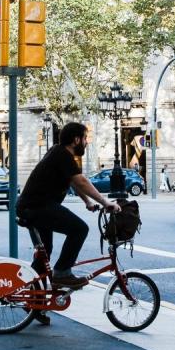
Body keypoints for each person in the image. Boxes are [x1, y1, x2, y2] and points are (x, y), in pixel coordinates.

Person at [16, 122, 121, 290]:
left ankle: (31, 297)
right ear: (76, 140)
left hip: (32, 207)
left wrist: (87, 202)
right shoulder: (62, 155)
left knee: (45, 253)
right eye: (85, 138)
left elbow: (74, 181)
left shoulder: (59, 153)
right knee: (79, 229)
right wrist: (105, 202)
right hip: (37, 207)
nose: (87, 142)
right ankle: (62, 273)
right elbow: (81, 181)